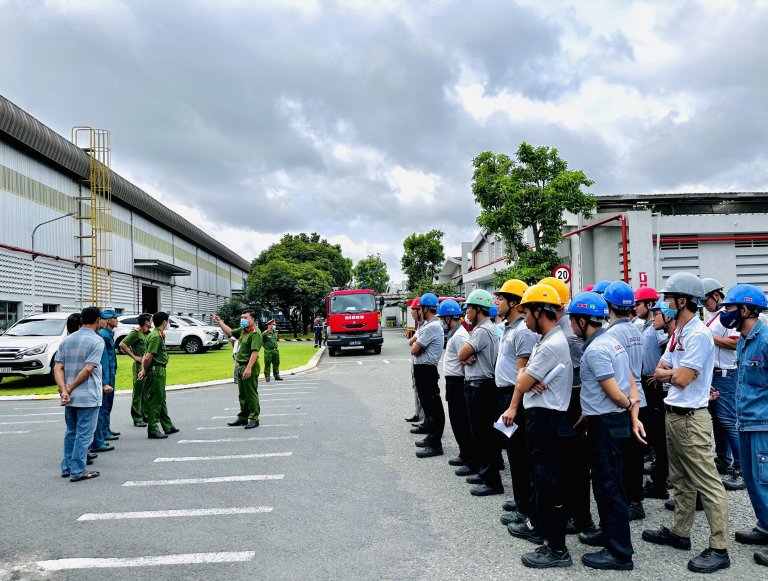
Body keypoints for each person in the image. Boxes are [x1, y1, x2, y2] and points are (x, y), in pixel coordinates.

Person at [643, 272, 731, 574]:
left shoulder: (698, 335)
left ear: (683, 301)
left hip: (692, 418)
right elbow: (661, 369)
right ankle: (680, 533)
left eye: (669, 299)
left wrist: (669, 373)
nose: (664, 304)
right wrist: (671, 373)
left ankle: (719, 548)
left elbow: (678, 377)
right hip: (675, 414)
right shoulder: (679, 332)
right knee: (680, 479)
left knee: (708, 482)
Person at [567, 291, 641, 571]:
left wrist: (627, 405)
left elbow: (613, 391)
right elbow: (629, 379)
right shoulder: (611, 341)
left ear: (583, 320)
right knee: (606, 485)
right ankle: (609, 533)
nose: (571, 326)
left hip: (607, 424)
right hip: (605, 421)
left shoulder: (596, 350)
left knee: (610, 488)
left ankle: (620, 554)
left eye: (573, 320)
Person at [506, 284, 574, 569]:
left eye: (526, 312)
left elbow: (521, 382)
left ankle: (557, 550)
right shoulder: (545, 340)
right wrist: (528, 377)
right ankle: (548, 538)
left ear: (539, 311)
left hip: (548, 421)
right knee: (544, 483)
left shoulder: (550, 345)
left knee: (549, 486)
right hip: (543, 420)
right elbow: (525, 381)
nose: (524, 318)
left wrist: (525, 376)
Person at [539, 276, 593, 537]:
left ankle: (580, 517)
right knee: (568, 462)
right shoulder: (560, 330)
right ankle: (572, 511)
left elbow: (584, 373)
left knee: (575, 463)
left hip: (573, 401)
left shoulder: (568, 335)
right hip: (569, 399)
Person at [719, 284, 768, 567]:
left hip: (763, 423)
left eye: (729, 308)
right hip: (746, 420)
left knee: (765, 481)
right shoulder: (744, 340)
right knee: (752, 480)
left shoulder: (765, 340)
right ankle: (764, 526)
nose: (725, 313)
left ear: (746, 310)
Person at [494, 279, 537, 528]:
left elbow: (522, 374)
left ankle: (525, 508)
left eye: (501, 298)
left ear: (513, 303)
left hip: (515, 396)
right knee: (513, 453)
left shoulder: (522, 331)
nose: (497, 302)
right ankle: (521, 500)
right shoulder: (509, 328)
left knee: (520, 455)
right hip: (506, 394)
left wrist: (512, 406)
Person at [604, 281, 648, 522]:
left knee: (624, 456)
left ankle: (630, 501)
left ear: (609, 305)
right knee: (635, 455)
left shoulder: (612, 333)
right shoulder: (634, 329)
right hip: (639, 395)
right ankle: (635, 499)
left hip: (625, 398)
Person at [458, 289, 503, 496]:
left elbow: (462, 353)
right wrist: (467, 357)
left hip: (481, 387)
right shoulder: (486, 328)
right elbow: (466, 356)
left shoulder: (482, 330)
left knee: (485, 435)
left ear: (478, 309)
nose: (466, 312)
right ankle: (485, 472)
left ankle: (492, 480)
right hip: (482, 385)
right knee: (481, 433)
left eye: (469, 308)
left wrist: (465, 356)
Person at [701, 278, 743, 490]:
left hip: (726, 373)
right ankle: (724, 460)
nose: (704, 304)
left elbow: (736, 343)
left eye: (706, 300)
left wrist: (708, 337)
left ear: (716, 295)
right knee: (718, 420)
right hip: (714, 374)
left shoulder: (728, 315)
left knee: (728, 420)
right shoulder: (714, 316)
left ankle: (741, 469)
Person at [54, 306, 104, 482]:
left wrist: (64, 389)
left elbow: (58, 366)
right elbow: (89, 368)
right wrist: (71, 387)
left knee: (71, 432)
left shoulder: (67, 340)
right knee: (84, 434)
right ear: (98, 320)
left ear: (82, 320)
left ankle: (67, 467)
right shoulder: (97, 341)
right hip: (88, 395)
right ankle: (77, 471)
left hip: (70, 397)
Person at [438, 299, 476, 473]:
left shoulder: (460, 335)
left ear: (448, 318)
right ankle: (464, 453)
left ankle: (470, 458)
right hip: (453, 381)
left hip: (458, 382)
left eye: (442, 318)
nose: (442, 322)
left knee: (461, 421)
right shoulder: (455, 333)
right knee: (456, 420)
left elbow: (466, 359)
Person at [640, 295, 672, 500]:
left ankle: (660, 482)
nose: (654, 318)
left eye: (657, 314)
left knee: (662, 440)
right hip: (655, 385)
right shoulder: (657, 329)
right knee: (659, 438)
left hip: (661, 389)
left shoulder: (671, 336)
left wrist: (661, 375)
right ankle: (660, 480)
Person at [212, 311, 263, 429]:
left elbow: (255, 352)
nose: (242, 320)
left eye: (245, 317)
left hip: (249, 365)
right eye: (241, 317)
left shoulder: (255, 333)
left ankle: (254, 418)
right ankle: (243, 418)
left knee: (251, 394)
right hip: (241, 365)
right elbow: (230, 332)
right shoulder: (244, 330)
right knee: (242, 394)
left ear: (252, 319)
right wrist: (220, 322)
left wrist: (248, 368)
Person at [410, 293, 445, 458]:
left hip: (427, 370)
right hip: (423, 369)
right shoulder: (429, 325)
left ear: (425, 309)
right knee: (428, 406)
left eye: (420, 309)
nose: (418, 312)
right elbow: (415, 347)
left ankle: (435, 444)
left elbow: (414, 349)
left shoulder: (432, 327)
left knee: (432, 407)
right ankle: (431, 438)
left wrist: (417, 347)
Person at [138, 312, 179, 439]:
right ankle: (153, 428)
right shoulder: (156, 336)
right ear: (164, 322)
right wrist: (144, 370)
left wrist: (144, 369)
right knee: (155, 401)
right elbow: (148, 357)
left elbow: (146, 355)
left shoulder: (156, 334)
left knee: (161, 399)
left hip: (158, 369)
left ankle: (167, 425)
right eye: (168, 321)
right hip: (156, 370)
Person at [90, 311, 118, 453]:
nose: (116, 320)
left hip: (109, 371)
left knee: (107, 404)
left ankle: (105, 430)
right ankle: (101, 436)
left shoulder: (107, 334)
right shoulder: (103, 336)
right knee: (103, 406)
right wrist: (104, 381)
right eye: (114, 318)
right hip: (105, 374)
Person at [120, 313, 152, 427]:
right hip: (139, 365)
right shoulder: (136, 333)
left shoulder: (149, 333)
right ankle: (137, 418)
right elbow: (122, 344)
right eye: (151, 320)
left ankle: (145, 415)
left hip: (147, 365)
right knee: (138, 392)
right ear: (146, 322)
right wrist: (134, 356)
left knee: (146, 391)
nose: (152, 322)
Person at [406, 297, 425, 426]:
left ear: (420, 310)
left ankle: (424, 418)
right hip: (416, 362)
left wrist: (414, 344)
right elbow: (410, 341)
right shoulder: (420, 326)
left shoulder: (426, 326)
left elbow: (413, 346)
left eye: (414, 309)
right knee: (416, 389)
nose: (412, 312)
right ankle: (418, 414)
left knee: (423, 392)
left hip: (423, 364)